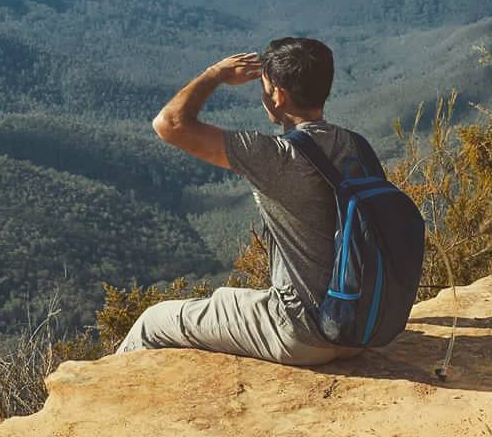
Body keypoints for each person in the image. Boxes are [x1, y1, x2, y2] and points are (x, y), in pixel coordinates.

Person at [115, 37, 387, 365]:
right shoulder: (357, 145)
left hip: (300, 332)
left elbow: (169, 124)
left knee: (152, 321)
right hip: (357, 329)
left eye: (265, 85)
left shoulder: (278, 156)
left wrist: (215, 73)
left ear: (279, 95)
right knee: (229, 299)